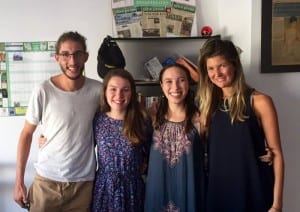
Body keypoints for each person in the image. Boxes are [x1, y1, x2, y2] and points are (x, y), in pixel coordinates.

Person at [13, 31, 102, 212]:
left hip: (83, 185)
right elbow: (26, 134)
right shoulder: (43, 91)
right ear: (57, 58)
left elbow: (117, 119)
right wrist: (19, 181)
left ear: (86, 57)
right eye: (66, 54)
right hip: (47, 182)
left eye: (78, 54)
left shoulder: (98, 91)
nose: (72, 61)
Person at [197, 39, 284, 212]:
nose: (217, 73)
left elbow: (277, 155)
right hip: (218, 193)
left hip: (254, 190)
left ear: (234, 65)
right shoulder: (207, 105)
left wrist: (276, 205)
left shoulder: (259, 101)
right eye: (211, 68)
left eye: (222, 66)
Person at [144, 63, 205, 212]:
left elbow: (218, 149)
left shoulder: (200, 118)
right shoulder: (151, 115)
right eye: (169, 81)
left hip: (190, 189)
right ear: (161, 85)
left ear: (188, 83)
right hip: (157, 189)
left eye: (181, 80)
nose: (175, 87)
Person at [92, 69, 153, 212]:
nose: (119, 95)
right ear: (105, 91)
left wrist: (144, 162)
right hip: (104, 188)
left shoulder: (142, 120)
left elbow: (153, 152)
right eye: (113, 89)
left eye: (125, 90)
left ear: (132, 93)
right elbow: (80, 143)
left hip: (133, 189)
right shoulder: (97, 119)